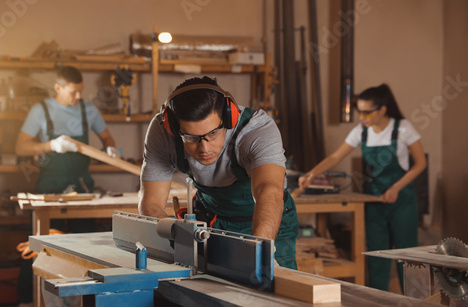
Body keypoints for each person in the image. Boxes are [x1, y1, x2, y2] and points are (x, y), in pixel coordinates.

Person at [139, 76, 299, 269]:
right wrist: (176, 234)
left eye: (213, 133)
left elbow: (270, 192)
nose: (204, 148)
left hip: (266, 219)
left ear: (228, 117)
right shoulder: (162, 133)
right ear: (172, 127)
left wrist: (259, 254)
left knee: (271, 288)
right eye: (191, 137)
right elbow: (151, 202)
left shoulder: (256, 130)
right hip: (210, 219)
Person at [14, 66, 119, 307]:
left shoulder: (88, 110)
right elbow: (21, 146)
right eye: (73, 92)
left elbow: (107, 138)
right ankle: (27, 302)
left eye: (81, 92)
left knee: (86, 246)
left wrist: (112, 148)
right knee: (40, 245)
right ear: (58, 88)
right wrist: (51, 145)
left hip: (81, 187)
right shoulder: (41, 110)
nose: (77, 97)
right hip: (50, 187)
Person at [298, 84, 426, 292]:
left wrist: (395, 188)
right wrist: (312, 174)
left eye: (367, 112)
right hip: (374, 202)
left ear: (382, 109)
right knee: (376, 256)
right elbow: (335, 157)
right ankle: (377, 303)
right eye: (360, 112)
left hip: (401, 201)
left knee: (407, 256)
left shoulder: (403, 128)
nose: (362, 117)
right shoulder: (361, 132)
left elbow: (421, 164)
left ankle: (415, 306)